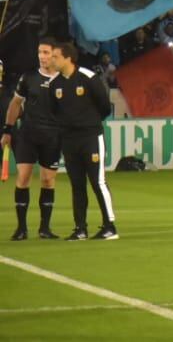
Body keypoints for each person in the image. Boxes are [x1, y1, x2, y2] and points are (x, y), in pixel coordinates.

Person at [47, 42, 116, 240]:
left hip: (91, 137)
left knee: (98, 181)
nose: (52, 60)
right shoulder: (55, 85)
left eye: (55, 56)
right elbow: (55, 112)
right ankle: (80, 228)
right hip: (69, 140)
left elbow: (104, 105)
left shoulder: (88, 77)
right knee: (77, 184)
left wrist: (89, 123)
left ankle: (109, 225)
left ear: (68, 58)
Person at [1, 38, 61, 240]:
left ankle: (45, 228)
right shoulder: (28, 77)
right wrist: (8, 130)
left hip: (52, 136)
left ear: (55, 54)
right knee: (24, 177)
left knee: (47, 180)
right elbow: (15, 104)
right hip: (27, 134)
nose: (42, 56)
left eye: (46, 52)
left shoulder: (63, 80)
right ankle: (21, 228)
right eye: (40, 52)